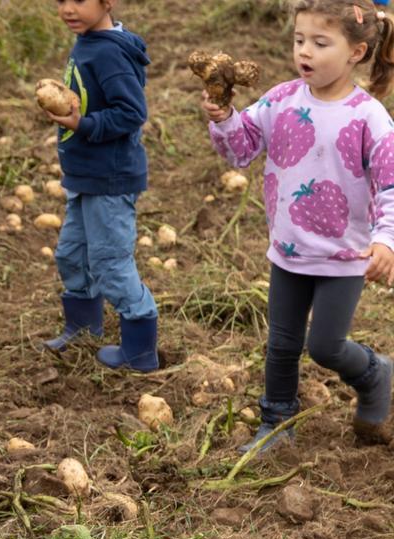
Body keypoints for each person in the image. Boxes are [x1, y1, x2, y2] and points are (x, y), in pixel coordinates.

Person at [202, 0, 394, 452]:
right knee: (282, 344)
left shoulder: (370, 117)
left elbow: (390, 185)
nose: (304, 51)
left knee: (325, 346)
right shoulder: (281, 99)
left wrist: (385, 240)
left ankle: (375, 373)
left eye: (320, 43)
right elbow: (242, 150)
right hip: (288, 248)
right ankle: (277, 420)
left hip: (344, 255)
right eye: (299, 40)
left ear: (357, 52)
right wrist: (226, 118)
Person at [41, 0, 159, 373]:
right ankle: (83, 325)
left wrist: (83, 125)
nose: (67, 9)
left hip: (109, 178)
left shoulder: (108, 52)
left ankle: (141, 349)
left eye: (79, 0)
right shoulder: (88, 41)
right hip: (86, 176)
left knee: (110, 262)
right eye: (61, 1)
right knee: (72, 255)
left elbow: (132, 112)